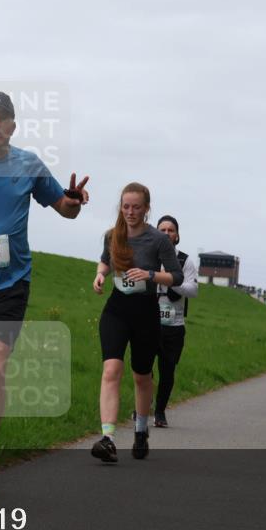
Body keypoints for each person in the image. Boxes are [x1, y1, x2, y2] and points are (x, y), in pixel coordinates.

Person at [0, 90, 89, 508]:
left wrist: (74, 201)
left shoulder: (28, 163)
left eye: (4, 118)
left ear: (13, 126)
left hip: (12, 282)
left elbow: (64, 209)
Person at [90, 183, 183, 463]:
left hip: (146, 312)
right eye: (126, 206)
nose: (130, 212)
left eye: (136, 207)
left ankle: (141, 429)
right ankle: (107, 438)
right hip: (117, 309)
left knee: (142, 376)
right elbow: (105, 261)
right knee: (111, 370)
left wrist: (150, 274)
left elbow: (176, 277)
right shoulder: (112, 235)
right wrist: (100, 275)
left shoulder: (158, 240)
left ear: (146, 209)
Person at [153, 215, 198, 427]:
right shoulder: (148, 257)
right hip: (148, 322)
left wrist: (170, 279)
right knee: (143, 370)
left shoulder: (185, 261)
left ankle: (160, 412)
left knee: (167, 370)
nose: (166, 233)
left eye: (170, 230)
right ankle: (140, 409)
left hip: (174, 326)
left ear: (177, 235)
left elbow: (192, 290)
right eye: (161, 229)